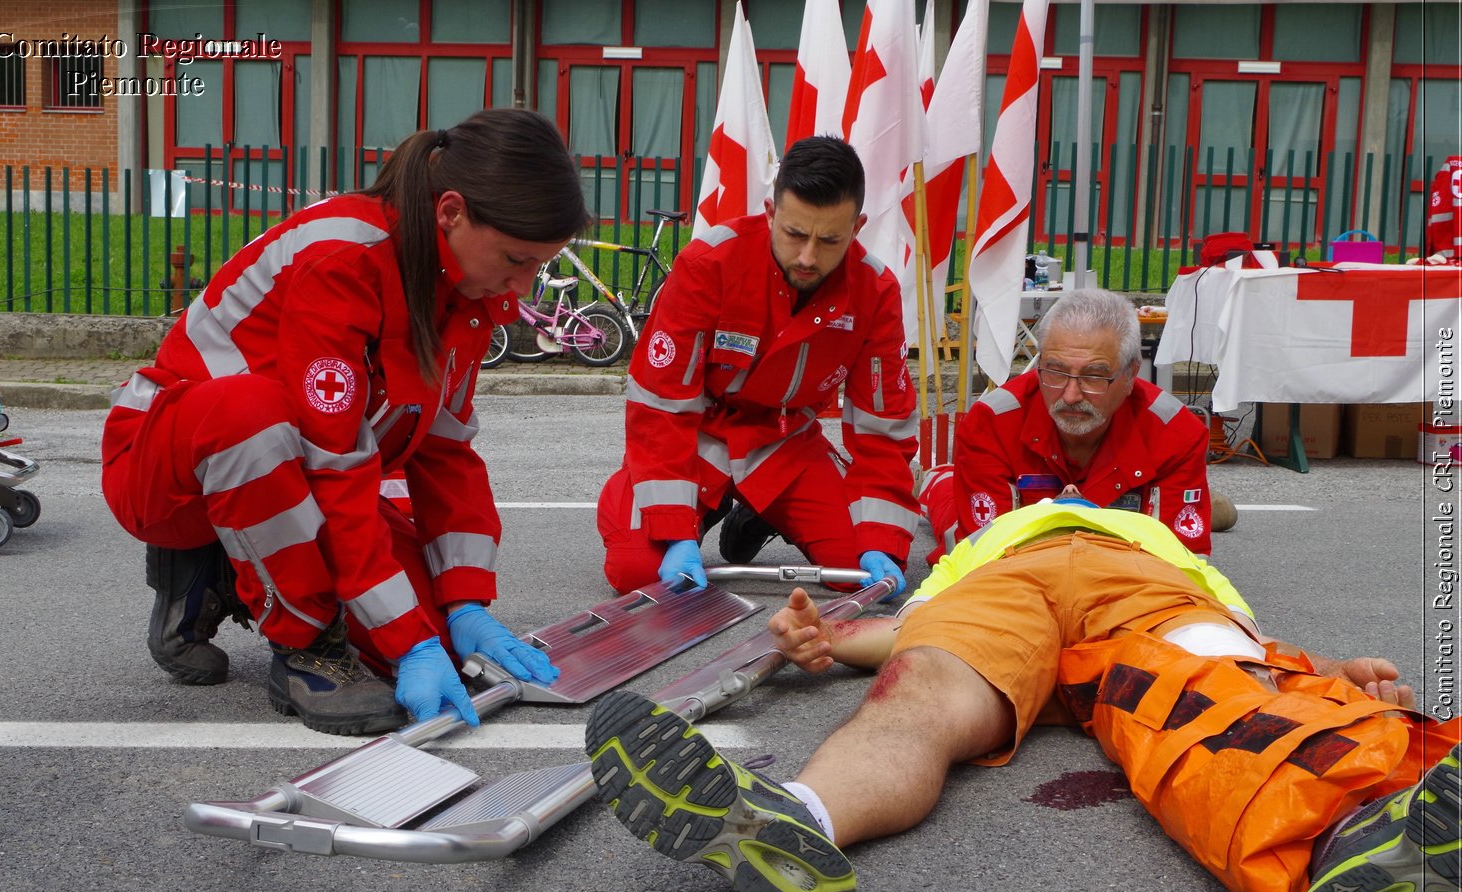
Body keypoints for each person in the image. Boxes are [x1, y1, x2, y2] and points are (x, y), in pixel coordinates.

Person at [584, 494, 1461, 892]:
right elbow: (888, 640)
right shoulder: (981, 540)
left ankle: (1360, 833)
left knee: (1219, 695)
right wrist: (822, 641)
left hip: (1144, 589)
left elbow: (1221, 531)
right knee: (916, 688)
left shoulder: (1154, 529)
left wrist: (1325, 684)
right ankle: (791, 822)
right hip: (1012, 588)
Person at [101, 109, 587, 736]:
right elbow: (334, 464)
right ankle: (304, 648)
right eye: (516, 259)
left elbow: (445, 453)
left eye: (538, 267)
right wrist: (404, 637)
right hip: (167, 468)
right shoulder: (342, 259)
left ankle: (228, 566)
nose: (522, 289)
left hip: (285, 472)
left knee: (439, 637)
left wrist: (465, 602)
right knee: (253, 415)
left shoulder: (462, 294)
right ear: (451, 213)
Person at [596, 136, 919, 598]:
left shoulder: (876, 290)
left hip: (786, 444)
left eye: (829, 239)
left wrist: (882, 541)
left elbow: (882, 427)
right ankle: (645, 499)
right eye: (794, 233)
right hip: (700, 439)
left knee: (863, 571)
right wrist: (673, 530)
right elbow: (661, 404)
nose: (808, 256)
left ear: (857, 226)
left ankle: (761, 508)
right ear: (770, 212)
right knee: (637, 572)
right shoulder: (709, 264)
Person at [920, 288, 1216, 565]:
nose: (1071, 395)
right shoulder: (992, 422)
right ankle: (937, 481)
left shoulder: (1177, 433)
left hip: (1101, 567)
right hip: (1025, 558)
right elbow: (981, 556)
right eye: (1056, 372)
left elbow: (1185, 563)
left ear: (1130, 376)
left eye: (1094, 377)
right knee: (950, 516)